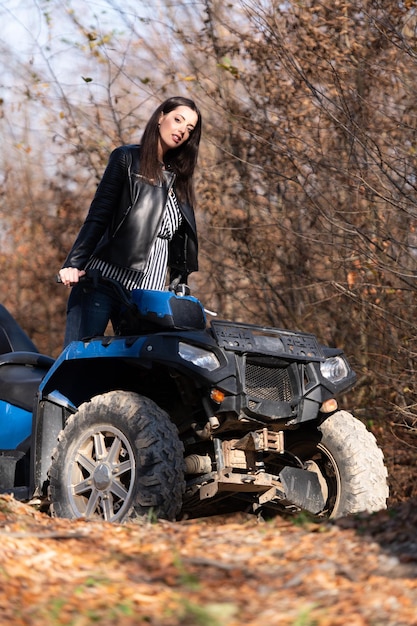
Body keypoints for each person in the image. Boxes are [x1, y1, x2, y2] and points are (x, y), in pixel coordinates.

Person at [58, 96, 202, 346]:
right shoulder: (126, 158)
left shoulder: (180, 180)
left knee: (142, 376)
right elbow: (98, 215)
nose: (182, 130)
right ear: (160, 117)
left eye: (189, 129)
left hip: (148, 296)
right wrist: (73, 263)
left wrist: (180, 284)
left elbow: (177, 243)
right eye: (178, 120)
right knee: (80, 370)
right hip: (103, 282)